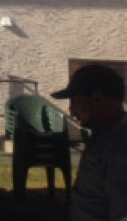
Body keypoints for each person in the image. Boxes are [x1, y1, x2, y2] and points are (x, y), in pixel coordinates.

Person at [51, 63, 127, 221]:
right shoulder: (106, 138)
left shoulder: (117, 148)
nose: (71, 109)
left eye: (74, 100)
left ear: (97, 98)